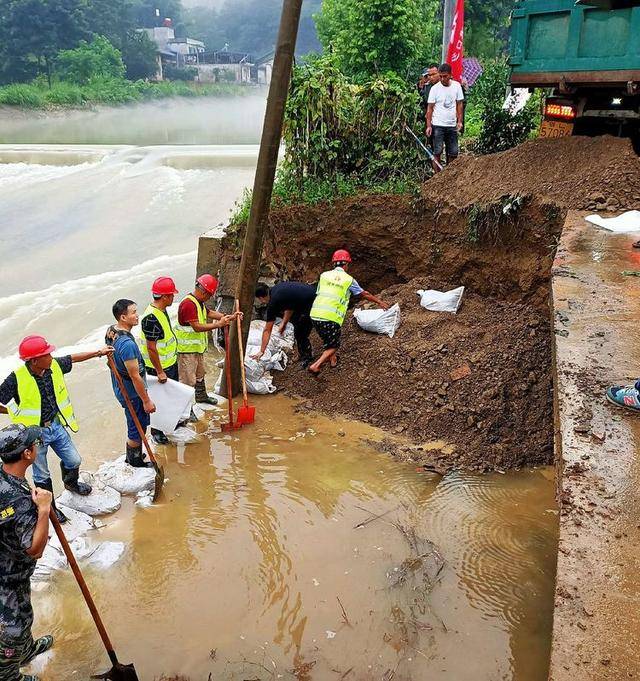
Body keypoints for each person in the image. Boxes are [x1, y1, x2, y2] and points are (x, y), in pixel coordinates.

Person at [0, 335, 113, 523]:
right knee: (42, 475)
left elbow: (72, 358)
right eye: (47, 354)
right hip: (35, 435)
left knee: (73, 459)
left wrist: (98, 353)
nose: (51, 356)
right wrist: (13, 412)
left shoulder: (53, 366)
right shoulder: (16, 379)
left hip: (56, 426)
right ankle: (51, 509)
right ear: (34, 360)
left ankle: (70, 483)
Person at [0, 423, 54, 681]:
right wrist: (43, 509)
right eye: (33, 443)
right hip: (7, 576)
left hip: (10, 566)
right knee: (14, 628)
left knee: (26, 614)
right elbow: (34, 549)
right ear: (27, 454)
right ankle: (10, 675)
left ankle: (27, 651)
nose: (36, 446)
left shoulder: (4, 478)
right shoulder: (20, 502)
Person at [308, 250, 390, 376]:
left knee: (328, 337)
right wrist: (380, 302)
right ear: (346, 264)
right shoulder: (348, 280)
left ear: (333, 264)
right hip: (330, 317)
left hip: (315, 314)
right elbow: (364, 294)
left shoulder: (324, 275)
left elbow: (319, 292)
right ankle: (316, 365)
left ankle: (333, 360)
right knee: (334, 345)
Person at [106, 299, 156, 469]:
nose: (137, 315)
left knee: (135, 423)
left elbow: (110, 359)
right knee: (137, 426)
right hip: (132, 392)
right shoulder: (127, 345)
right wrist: (146, 400)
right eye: (133, 313)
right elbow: (135, 377)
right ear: (123, 317)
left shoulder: (112, 331)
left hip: (119, 386)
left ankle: (134, 455)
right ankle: (134, 461)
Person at [174, 274, 240, 403]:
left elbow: (209, 313)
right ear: (204, 292)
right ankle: (186, 410)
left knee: (199, 375)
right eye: (209, 295)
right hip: (186, 351)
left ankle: (201, 397)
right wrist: (218, 324)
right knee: (187, 381)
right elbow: (197, 327)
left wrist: (229, 317)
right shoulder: (188, 304)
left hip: (196, 349)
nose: (209, 298)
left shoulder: (198, 302)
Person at [139, 276, 179, 444]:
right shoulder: (151, 318)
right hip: (158, 368)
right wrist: (160, 371)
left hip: (169, 363)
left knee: (169, 398)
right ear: (165, 297)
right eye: (172, 295)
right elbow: (151, 348)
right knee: (159, 400)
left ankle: (168, 424)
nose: (173, 297)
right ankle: (157, 432)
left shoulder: (161, 311)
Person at [253, 281, 316, 367]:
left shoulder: (273, 304)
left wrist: (262, 351)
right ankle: (303, 353)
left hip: (312, 301)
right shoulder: (276, 290)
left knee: (300, 333)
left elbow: (267, 330)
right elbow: (289, 306)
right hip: (313, 293)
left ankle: (307, 357)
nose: (262, 302)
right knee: (297, 324)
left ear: (261, 298)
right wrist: (284, 323)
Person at [426, 63, 464, 172]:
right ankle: (438, 177)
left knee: (453, 152)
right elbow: (430, 108)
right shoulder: (435, 89)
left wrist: (460, 121)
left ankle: (449, 175)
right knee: (437, 151)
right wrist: (429, 126)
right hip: (438, 124)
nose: (442, 79)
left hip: (452, 125)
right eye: (441, 76)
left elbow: (459, 104)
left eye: (445, 76)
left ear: (450, 75)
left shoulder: (456, 86)